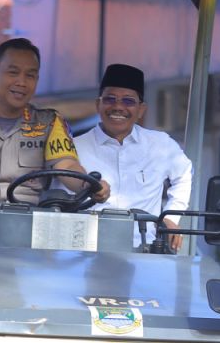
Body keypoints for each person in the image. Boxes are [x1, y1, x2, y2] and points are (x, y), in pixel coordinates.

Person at [0, 38, 110, 234]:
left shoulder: (49, 122)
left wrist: (88, 185)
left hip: (30, 231)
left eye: (30, 75)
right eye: (13, 72)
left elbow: (66, 166)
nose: (22, 82)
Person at [72, 63, 190, 250]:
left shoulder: (160, 145)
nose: (118, 107)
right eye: (110, 99)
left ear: (141, 109)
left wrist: (170, 219)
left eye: (128, 101)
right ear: (98, 104)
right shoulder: (73, 148)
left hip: (145, 251)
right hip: (85, 253)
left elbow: (184, 175)